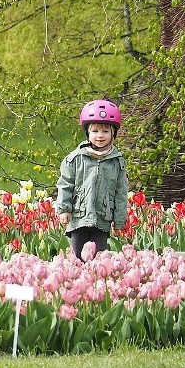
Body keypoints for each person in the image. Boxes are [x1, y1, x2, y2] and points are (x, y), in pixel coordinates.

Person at [55, 99, 128, 261]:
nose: (100, 136)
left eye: (105, 131)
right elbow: (65, 184)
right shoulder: (74, 159)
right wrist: (64, 208)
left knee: (99, 259)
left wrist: (119, 219)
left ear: (113, 134)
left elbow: (120, 192)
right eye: (95, 131)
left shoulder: (117, 162)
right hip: (79, 217)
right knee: (77, 257)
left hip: (103, 218)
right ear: (87, 133)